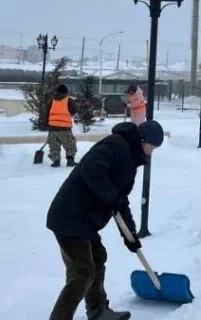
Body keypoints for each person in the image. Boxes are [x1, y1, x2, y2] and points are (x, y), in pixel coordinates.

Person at [46, 120, 165, 320]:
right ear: (142, 140)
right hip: (70, 216)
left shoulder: (130, 159)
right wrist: (109, 196)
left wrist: (130, 236)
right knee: (82, 272)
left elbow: (120, 200)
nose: (150, 153)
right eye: (151, 147)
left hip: (84, 220)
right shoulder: (116, 145)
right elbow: (91, 168)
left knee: (97, 258)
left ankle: (98, 310)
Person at [47, 84, 79, 168]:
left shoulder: (52, 101)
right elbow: (74, 109)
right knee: (70, 144)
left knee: (54, 145)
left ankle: (56, 161)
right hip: (64, 128)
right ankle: (70, 160)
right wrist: (68, 115)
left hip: (52, 128)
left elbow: (46, 112)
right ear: (66, 92)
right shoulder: (69, 100)